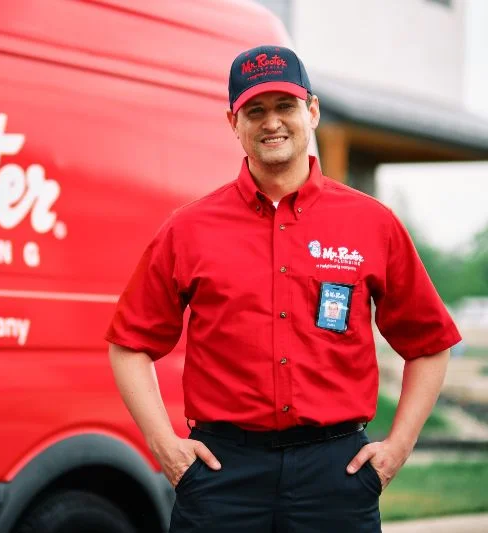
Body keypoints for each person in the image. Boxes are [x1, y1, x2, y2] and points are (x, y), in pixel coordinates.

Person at [105, 45, 461, 533]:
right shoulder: (187, 229)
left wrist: (397, 448)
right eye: (255, 111)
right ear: (234, 122)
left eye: (285, 106)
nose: (271, 122)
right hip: (221, 477)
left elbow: (430, 345)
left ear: (311, 111)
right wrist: (164, 445)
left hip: (337, 475)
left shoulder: (371, 223)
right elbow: (129, 344)